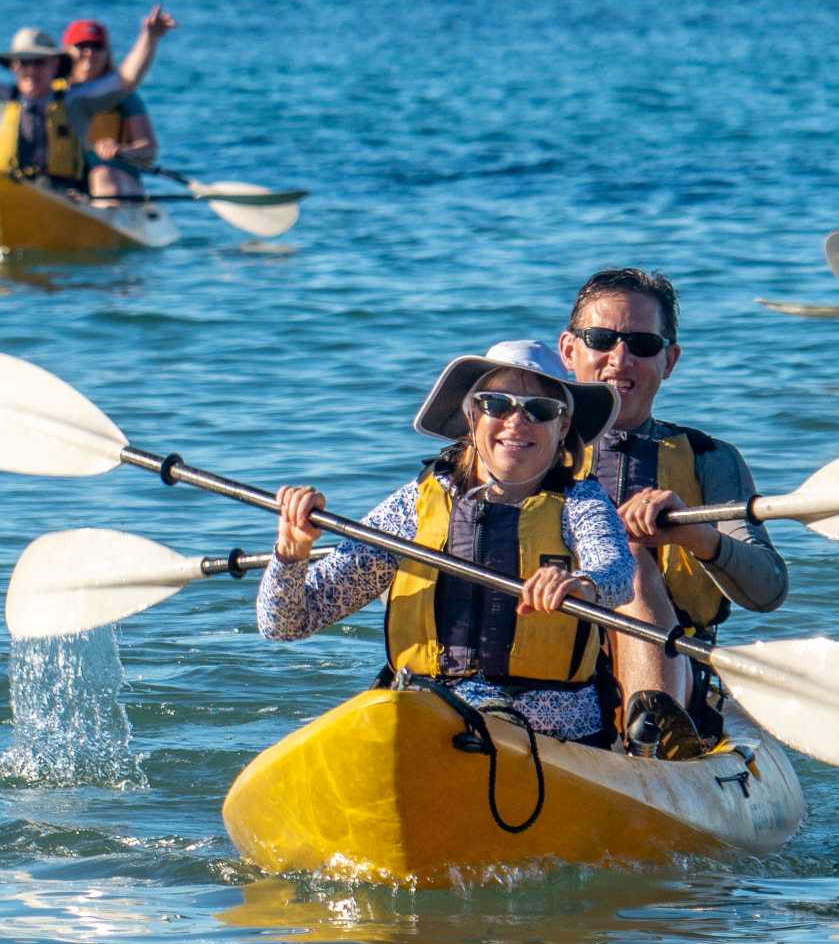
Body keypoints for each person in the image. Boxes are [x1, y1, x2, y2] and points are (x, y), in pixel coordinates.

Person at [261, 342, 634, 746]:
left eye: (540, 409)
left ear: (562, 427)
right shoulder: (413, 506)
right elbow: (285, 625)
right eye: (496, 404)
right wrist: (291, 554)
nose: (516, 421)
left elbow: (617, 572)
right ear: (471, 415)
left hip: (554, 739)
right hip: (429, 721)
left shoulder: (582, 502)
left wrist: (582, 584)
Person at [558, 267, 788, 757]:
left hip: (671, 672)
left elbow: (768, 589)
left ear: (670, 360)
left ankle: (653, 733)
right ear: (569, 349)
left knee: (630, 558)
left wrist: (693, 535)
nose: (620, 360)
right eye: (601, 340)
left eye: (642, 345)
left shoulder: (709, 459)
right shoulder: (520, 447)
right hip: (543, 674)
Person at [0, 0, 174, 195]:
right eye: (24, 63)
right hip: (10, 191)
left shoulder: (77, 101)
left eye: (39, 62)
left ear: (55, 65)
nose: (32, 70)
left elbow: (126, 79)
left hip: (65, 195)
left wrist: (149, 38)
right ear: (13, 67)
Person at [61, 17, 160, 201]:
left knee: (102, 175)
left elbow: (149, 151)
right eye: (82, 46)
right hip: (70, 178)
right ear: (66, 51)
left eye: (96, 47)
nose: (89, 53)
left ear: (107, 53)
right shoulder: (55, 95)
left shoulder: (124, 97)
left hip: (117, 177)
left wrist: (121, 150)